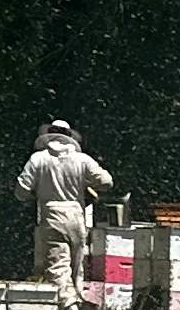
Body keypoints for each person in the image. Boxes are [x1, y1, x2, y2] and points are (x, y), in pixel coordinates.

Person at [13, 121, 112, 295]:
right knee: (77, 266)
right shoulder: (82, 159)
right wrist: (85, 182)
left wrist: (33, 195)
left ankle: (68, 307)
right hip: (77, 215)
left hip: (51, 215)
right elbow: (106, 181)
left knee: (58, 266)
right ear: (70, 137)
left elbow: (21, 190)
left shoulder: (38, 159)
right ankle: (79, 304)